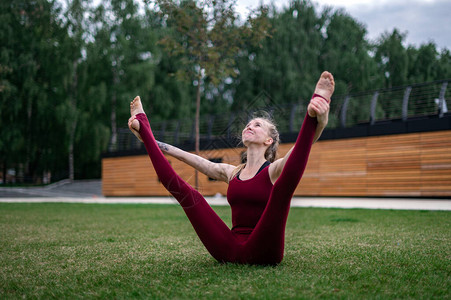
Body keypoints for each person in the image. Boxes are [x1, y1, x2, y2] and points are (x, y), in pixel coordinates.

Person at [128, 71, 335, 265]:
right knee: (188, 194)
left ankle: (314, 110)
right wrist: (150, 141)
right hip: (228, 249)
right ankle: (144, 125)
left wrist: (320, 121)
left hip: (265, 250)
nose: (249, 126)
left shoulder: (273, 170)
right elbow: (189, 158)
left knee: (283, 189)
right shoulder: (232, 172)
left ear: (269, 141)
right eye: (248, 124)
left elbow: (301, 149)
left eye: (257, 125)